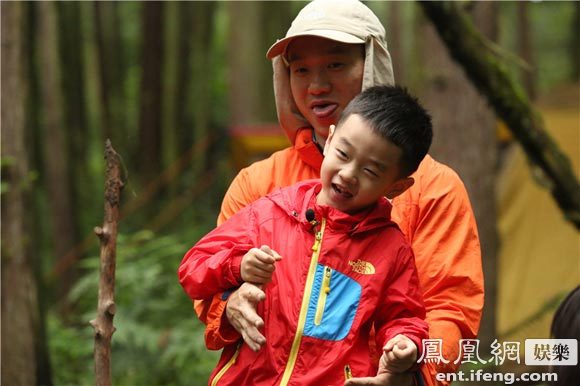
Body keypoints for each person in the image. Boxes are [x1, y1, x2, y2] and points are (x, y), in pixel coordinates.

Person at [194, 1, 484, 385]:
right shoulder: (258, 182)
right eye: (301, 69)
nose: (316, 86)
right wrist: (231, 306)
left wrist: (412, 374)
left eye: (335, 64)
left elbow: (450, 308)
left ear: (373, 66)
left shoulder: (435, 188)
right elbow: (210, 281)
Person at [180, 85, 432, 385]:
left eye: (371, 171)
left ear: (396, 187)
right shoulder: (272, 213)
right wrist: (237, 266)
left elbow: (404, 316)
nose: (349, 174)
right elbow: (193, 267)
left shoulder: (391, 249)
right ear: (330, 138)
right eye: (343, 153)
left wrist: (406, 343)